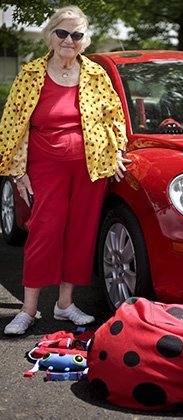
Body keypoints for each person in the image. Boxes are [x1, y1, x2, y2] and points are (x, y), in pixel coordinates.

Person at [0, 6, 130, 335]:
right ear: (50, 35)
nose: (68, 40)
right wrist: (18, 171)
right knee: (45, 231)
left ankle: (64, 305)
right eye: (62, 33)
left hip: (91, 167)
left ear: (84, 41)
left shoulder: (96, 75)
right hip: (45, 166)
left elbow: (115, 115)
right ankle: (29, 311)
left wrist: (116, 151)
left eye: (76, 35)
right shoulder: (31, 74)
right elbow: (12, 124)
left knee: (80, 232)